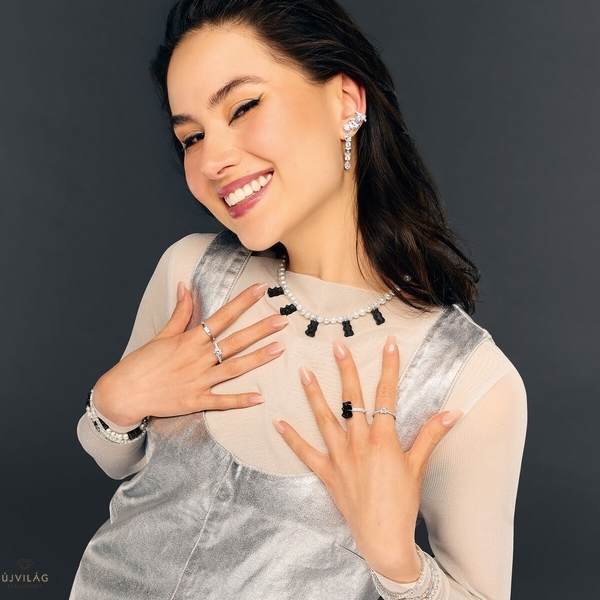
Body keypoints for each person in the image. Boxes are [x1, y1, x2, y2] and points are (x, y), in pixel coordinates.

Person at [69, 1, 527, 598]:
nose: (212, 160)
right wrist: (113, 402)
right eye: (192, 137)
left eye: (243, 107)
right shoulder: (191, 276)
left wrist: (398, 563)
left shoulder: (466, 379)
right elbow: (118, 462)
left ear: (346, 102)